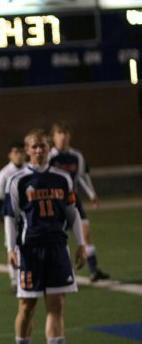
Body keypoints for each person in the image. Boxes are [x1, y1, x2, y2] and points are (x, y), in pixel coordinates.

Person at [3, 128, 87, 344]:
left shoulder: (63, 178)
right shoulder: (17, 180)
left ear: (49, 148)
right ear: (27, 150)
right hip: (30, 249)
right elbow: (10, 217)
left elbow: (73, 213)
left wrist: (80, 243)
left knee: (56, 304)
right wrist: (9, 248)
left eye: (43, 146)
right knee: (27, 305)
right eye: (34, 146)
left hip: (57, 248)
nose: (39, 150)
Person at [48, 120, 109, 283]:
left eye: (65, 133)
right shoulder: (49, 157)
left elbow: (82, 176)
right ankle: (57, 272)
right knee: (56, 239)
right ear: (53, 137)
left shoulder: (77, 156)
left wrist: (92, 194)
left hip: (73, 199)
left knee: (86, 233)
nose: (63, 137)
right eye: (59, 133)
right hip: (54, 202)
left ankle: (94, 270)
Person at [0, 141, 26, 292]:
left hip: (27, 214)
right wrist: (0, 218)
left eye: (21, 152)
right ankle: (14, 279)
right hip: (11, 215)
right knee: (11, 245)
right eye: (15, 152)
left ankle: (25, 276)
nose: (19, 155)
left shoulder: (28, 169)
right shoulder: (5, 173)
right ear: (10, 155)